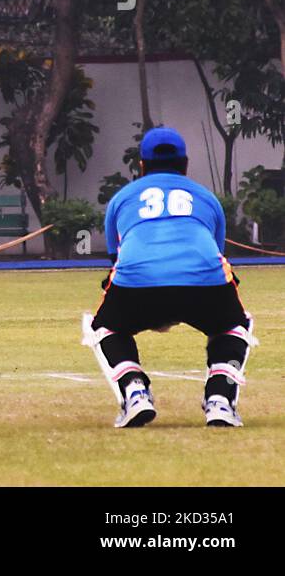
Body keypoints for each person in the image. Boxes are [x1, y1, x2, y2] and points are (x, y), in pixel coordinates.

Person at [84, 126, 256, 427]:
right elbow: (214, 256)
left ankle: (134, 391)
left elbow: (117, 261)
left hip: (137, 281)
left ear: (142, 165)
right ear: (186, 164)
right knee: (234, 326)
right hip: (205, 281)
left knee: (103, 327)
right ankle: (220, 400)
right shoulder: (208, 198)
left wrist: (155, 310)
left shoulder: (121, 199)